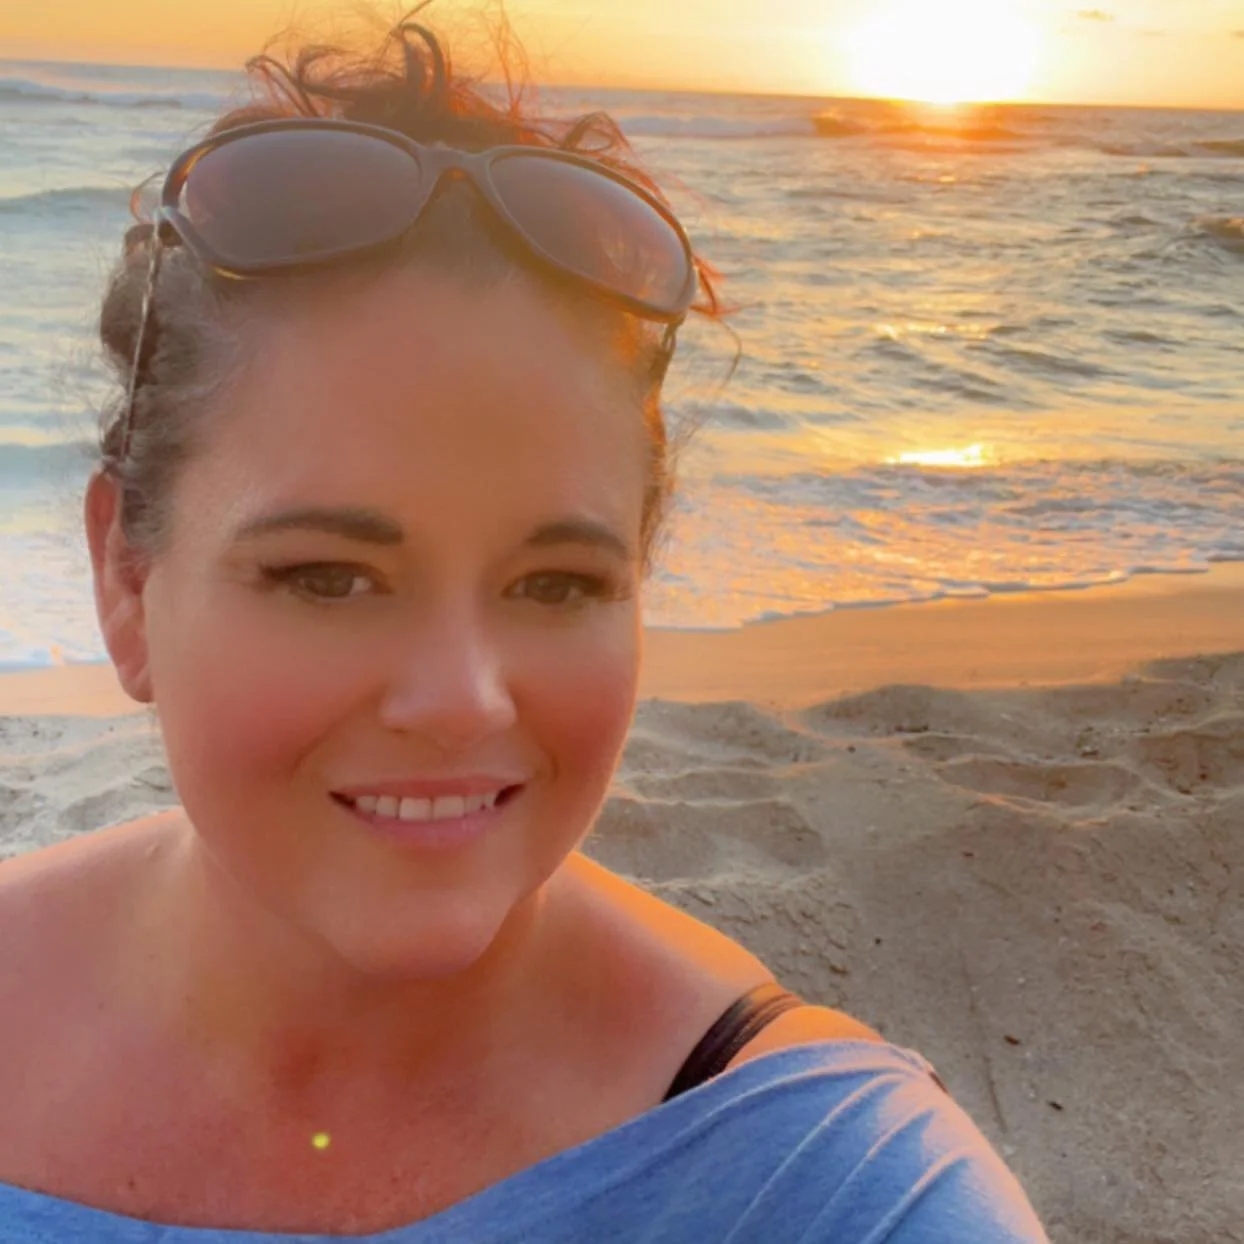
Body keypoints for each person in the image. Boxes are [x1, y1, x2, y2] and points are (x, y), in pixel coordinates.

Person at [0, 13, 1049, 1242]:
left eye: (554, 584)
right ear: (125, 576)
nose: (461, 698)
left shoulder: (833, 1192)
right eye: (328, 577)